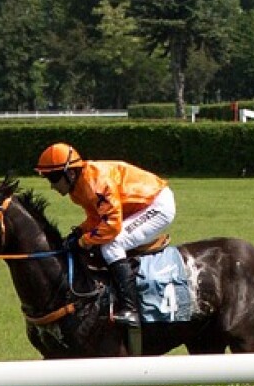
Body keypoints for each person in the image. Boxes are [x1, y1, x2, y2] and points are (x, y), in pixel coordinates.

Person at [34, 143, 176, 355]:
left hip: (156, 205)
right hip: (136, 208)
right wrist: (79, 232)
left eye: (53, 178)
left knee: (112, 245)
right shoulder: (78, 187)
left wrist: (84, 241)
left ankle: (131, 309)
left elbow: (111, 225)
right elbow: (95, 217)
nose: (52, 186)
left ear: (70, 172)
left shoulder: (96, 181)